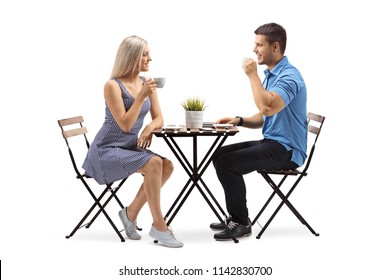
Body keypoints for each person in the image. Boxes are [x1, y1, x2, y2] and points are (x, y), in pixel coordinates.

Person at [82, 35, 183, 248]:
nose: (150, 58)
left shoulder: (146, 83)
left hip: (128, 148)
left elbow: (159, 118)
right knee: (155, 163)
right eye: (145, 54)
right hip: (104, 152)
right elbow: (125, 125)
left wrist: (148, 128)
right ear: (132, 57)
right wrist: (140, 97)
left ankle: (129, 214)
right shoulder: (112, 86)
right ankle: (159, 226)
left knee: (167, 165)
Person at [210, 23, 307, 240]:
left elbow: (267, 107)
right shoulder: (274, 75)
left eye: (259, 45)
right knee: (219, 155)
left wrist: (252, 76)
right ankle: (235, 216)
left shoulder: (290, 77)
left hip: (288, 151)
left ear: (275, 47)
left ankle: (242, 222)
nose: (254, 50)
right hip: (272, 143)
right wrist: (240, 120)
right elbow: (265, 116)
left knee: (228, 164)